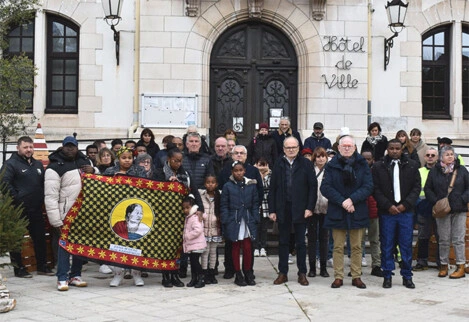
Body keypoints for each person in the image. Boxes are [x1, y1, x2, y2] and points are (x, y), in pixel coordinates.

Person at [321, 135, 373, 289]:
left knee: (357, 246)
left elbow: (368, 186)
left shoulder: (362, 164)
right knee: (337, 246)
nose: (347, 148)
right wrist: (343, 201)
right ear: (338, 148)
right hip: (338, 210)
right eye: (344, 146)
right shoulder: (331, 165)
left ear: (355, 148)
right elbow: (326, 187)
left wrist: (352, 200)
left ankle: (356, 276)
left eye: (350, 146)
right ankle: (338, 276)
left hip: (357, 209)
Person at [45, 136, 95, 291]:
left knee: (80, 245)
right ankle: (62, 277)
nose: (70, 149)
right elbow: (50, 196)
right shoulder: (54, 167)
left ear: (77, 147)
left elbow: (98, 181)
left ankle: (75, 275)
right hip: (65, 213)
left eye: (72, 146)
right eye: (67, 146)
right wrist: (56, 221)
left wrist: (94, 171)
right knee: (64, 246)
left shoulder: (85, 162)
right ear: (62, 147)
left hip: (84, 212)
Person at [0, 136, 52, 278]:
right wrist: (17, 198)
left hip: (36, 209)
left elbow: (42, 184)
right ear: (18, 148)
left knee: (39, 238)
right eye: (25, 147)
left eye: (31, 147)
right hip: (17, 210)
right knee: (16, 241)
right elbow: (4, 183)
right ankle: (19, 269)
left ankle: (42, 266)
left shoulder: (38, 165)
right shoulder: (10, 164)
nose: (29, 150)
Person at [372, 139, 421, 289]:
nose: (394, 151)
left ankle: (407, 275)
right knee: (387, 245)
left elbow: (416, 187)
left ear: (401, 150)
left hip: (405, 212)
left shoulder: (412, 165)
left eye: (397, 148)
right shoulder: (379, 166)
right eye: (391, 148)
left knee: (405, 245)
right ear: (387, 149)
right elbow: (375, 189)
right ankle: (387, 275)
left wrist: (405, 205)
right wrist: (388, 205)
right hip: (387, 213)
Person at [268, 137, 317, 286]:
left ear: (298, 148)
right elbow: (273, 188)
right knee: (283, 242)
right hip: (283, 208)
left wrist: (310, 207)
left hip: (301, 209)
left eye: (293, 147)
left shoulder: (306, 164)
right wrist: (272, 210)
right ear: (283, 149)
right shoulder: (278, 163)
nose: (291, 150)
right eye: (288, 147)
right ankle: (283, 273)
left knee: (301, 243)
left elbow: (312, 187)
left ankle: (302, 273)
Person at [154, 148, 204, 284]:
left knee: (178, 247)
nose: (178, 164)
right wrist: (168, 184)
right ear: (168, 160)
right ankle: (166, 276)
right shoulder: (159, 173)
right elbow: (152, 192)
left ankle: (175, 275)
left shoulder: (186, 174)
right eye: (175, 161)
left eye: (180, 161)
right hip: (164, 217)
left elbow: (195, 191)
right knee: (165, 247)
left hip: (181, 216)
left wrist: (200, 208)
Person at [218, 145, 264, 279]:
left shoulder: (253, 172)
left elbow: (258, 194)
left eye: (241, 153)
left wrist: (255, 215)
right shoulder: (226, 172)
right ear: (232, 155)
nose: (239, 155)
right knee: (233, 245)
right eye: (236, 153)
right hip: (233, 216)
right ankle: (232, 270)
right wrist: (225, 218)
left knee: (248, 246)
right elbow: (223, 197)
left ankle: (248, 271)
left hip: (248, 215)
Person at [104, 147, 147, 287]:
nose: (127, 160)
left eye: (129, 157)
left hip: (136, 208)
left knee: (136, 244)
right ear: (118, 159)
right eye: (124, 157)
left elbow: (147, 190)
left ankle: (136, 274)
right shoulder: (110, 172)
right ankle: (118, 274)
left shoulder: (140, 171)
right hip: (115, 211)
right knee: (116, 244)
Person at [424, 145, 469, 279]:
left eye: (452, 154)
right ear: (441, 157)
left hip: (459, 209)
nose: (450, 156)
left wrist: (462, 199)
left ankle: (460, 265)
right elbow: (428, 189)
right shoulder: (435, 171)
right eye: (447, 154)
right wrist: (436, 201)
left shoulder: (461, 170)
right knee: (443, 239)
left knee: (458, 239)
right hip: (442, 210)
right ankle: (444, 265)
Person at [414, 147, 439, 271]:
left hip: (439, 208)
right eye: (428, 155)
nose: (430, 157)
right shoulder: (419, 171)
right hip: (423, 207)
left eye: (433, 155)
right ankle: (422, 261)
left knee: (441, 236)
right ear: (424, 157)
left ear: (437, 157)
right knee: (423, 236)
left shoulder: (442, 171)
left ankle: (441, 262)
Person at [307, 147, 329, 278]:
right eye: (318, 156)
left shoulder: (330, 171)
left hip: (326, 208)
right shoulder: (310, 171)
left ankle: (324, 267)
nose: (320, 159)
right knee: (311, 239)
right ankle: (312, 268)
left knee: (324, 238)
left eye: (323, 156)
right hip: (313, 208)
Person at [361, 150, 383, 277]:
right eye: (364, 158)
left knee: (374, 240)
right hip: (360, 211)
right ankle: (356, 266)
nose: (366, 161)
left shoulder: (377, 173)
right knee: (358, 241)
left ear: (372, 160)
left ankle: (376, 265)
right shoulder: (356, 171)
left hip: (374, 210)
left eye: (368, 159)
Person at [198, 175, 222, 285]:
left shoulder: (219, 195)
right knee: (205, 252)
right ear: (204, 184)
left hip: (215, 229)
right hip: (204, 229)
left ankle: (212, 272)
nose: (210, 184)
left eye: (213, 182)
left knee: (213, 252)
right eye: (208, 182)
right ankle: (204, 272)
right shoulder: (201, 195)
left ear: (216, 184)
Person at [183, 195, 207, 288]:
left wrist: (187, 236)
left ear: (192, 207)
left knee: (195, 262)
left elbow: (198, 230)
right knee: (193, 262)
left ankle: (201, 278)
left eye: (187, 208)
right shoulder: (189, 217)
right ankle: (194, 278)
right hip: (192, 245)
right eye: (184, 208)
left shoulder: (194, 217)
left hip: (197, 245)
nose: (185, 210)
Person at [254, 158, 271, 258]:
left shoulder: (271, 174)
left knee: (264, 228)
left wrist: (263, 177)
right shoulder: (253, 173)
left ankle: (263, 247)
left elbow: (269, 186)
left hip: (266, 204)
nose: (262, 167)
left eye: (264, 164)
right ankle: (256, 247)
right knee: (256, 227)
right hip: (256, 204)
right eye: (260, 164)